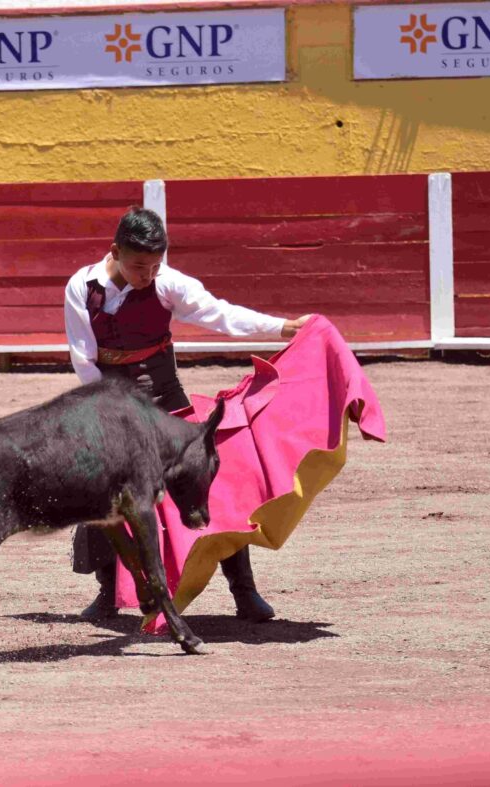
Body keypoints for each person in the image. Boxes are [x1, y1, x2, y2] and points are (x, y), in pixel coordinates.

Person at [63, 206, 309, 623]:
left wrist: (282, 328)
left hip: (165, 398)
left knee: (206, 484)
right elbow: (84, 360)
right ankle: (108, 593)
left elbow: (221, 314)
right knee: (105, 492)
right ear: (115, 252)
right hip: (111, 403)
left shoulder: (167, 283)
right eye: (139, 266)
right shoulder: (82, 287)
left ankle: (244, 591)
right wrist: (113, 414)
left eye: (155, 266)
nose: (148, 275)